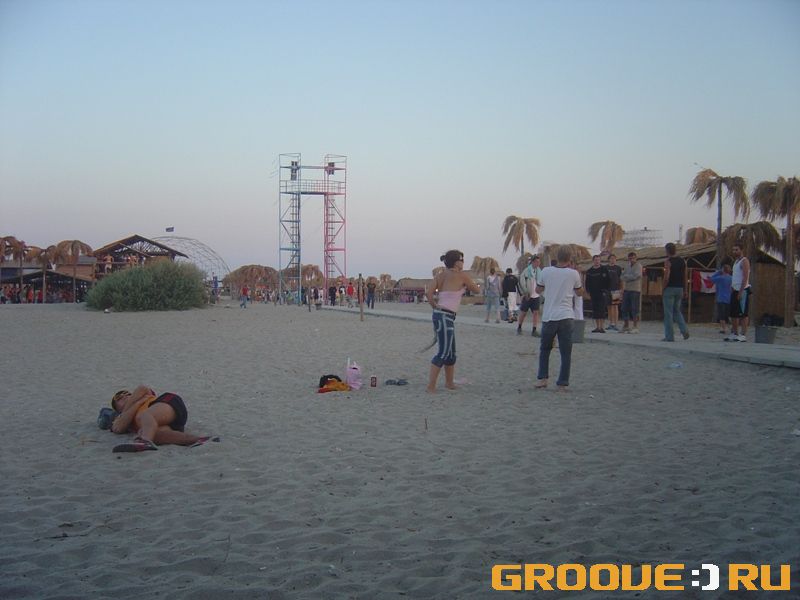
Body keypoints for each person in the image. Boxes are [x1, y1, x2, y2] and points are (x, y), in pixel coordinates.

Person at [426, 250, 480, 393]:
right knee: (443, 352)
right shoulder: (462, 276)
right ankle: (431, 386)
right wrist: (467, 284)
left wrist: (434, 306)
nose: (463, 263)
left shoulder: (440, 275)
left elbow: (428, 293)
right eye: (462, 260)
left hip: (440, 315)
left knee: (451, 353)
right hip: (445, 316)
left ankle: (449, 383)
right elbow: (476, 290)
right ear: (457, 262)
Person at [535, 246, 583, 391]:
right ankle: (562, 383)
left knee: (545, 349)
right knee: (566, 352)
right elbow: (579, 292)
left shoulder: (546, 271)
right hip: (566, 315)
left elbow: (538, 289)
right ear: (569, 259)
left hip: (550, 315)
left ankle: (543, 379)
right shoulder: (573, 274)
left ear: (557, 256)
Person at [109, 386, 214, 452]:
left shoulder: (143, 395)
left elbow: (142, 388)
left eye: (128, 394)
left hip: (168, 405)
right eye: (119, 398)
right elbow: (118, 428)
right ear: (116, 408)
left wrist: (131, 407)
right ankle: (198, 440)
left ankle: (145, 441)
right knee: (151, 433)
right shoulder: (124, 419)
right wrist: (136, 405)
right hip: (159, 425)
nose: (125, 396)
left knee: (146, 416)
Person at [662, 242, 690, 342]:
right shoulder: (682, 261)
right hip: (680, 288)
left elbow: (667, 276)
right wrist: (685, 289)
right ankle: (684, 330)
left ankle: (669, 336)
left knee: (668, 313)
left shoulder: (668, 261)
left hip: (670, 288)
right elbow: (685, 276)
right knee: (677, 311)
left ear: (667, 251)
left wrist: (663, 288)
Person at [728, 243, 751, 342]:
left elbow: (745, 277)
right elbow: (735, 276)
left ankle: (743, 334)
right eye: (733, 250)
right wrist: (732, 286)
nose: (734, 252)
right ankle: (735, 333)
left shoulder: (744, 261)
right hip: (734, 289)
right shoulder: (735, 262)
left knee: (743, 313)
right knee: (733, 313)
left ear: (741, 250)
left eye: (736, 250)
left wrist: (741, 291)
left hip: (743, 290)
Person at [517, 255, 542, 336]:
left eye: (539, 262)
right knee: (523, 312)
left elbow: (541, 282)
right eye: (537, 262)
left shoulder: (539, 271)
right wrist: (525, 291)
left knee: (536, 313)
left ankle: (534, 330)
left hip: (536, 295)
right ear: (533, 262)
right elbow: (522, 282)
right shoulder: (526, 271)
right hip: (528, 294)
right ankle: (519, 327)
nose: (538, 263)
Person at [584, 255, 609, 333]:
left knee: (602, 309)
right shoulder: (589, 271)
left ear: (600, 261)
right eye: (595, 260)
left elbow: (608, 281)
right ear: (593, 261)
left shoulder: (604, 269)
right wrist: (588, 292)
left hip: (602, 293)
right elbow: (587, 283)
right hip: (593, 293)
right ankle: (597, 327)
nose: (597, 261)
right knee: (595, 310)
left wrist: (606, 291)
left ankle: (602, 327)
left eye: (598, 260)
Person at [620, 252, 642, 333]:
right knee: (624, 308)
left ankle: (635, 326)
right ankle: (626, 325)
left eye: (633, 258)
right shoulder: (626, 266)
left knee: (634, 308)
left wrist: (627, 277)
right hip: (627, 289)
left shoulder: (639, 266)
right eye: (630, 258)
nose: (631, 260)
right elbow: (622, 276)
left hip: (635, 290)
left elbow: (637, 276)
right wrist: (628, 277)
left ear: (636, 258)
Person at [710, 264, 733, 336]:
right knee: (729, 314)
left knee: (721, 315)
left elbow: (711, 278)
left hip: (721, 298)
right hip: (729, 298)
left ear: (723, 270)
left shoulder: (720, 278)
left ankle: (723, 328)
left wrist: (718, 272)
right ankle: (732, 327)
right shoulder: (731, 278)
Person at [606, 254, 623, 330]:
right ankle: (611, 323)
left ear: (616, 260)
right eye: (611, 258)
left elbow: (621, 279)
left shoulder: (618, 268)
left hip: (616, 289)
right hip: (607, 290)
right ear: (609, 259)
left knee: (615, 306)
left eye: (614, 259)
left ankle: (615, 324)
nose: (612, 260)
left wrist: (621, 289)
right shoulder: (605, 268)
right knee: (609, 306)